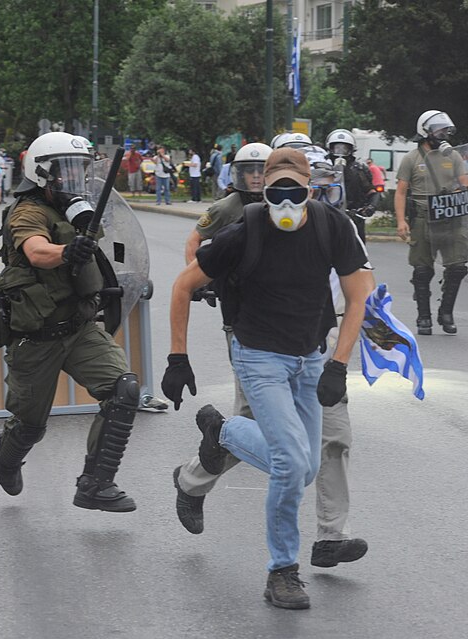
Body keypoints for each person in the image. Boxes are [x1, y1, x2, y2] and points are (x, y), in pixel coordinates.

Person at [161, 148, 373, 609]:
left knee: (309, 465)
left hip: (311, 357)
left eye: (293, 192)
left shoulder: (332, 225)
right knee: (290, 465)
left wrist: (338, 363)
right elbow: (183, 285)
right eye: (276, 191)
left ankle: (224, 432)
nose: (284, 201)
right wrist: (178, 356)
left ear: (309, 190)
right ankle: (282, 571)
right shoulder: (247, 228)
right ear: (264, 189)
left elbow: (359, 296)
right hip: (259, 357)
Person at [0, 131, 141, 512]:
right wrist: (65, 250)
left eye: (81, 170)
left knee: (123, 391)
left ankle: (95, 483)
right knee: (30, 426)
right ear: (42, 174)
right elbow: (36, 251)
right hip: (35, 337)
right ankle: (5, 457)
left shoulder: (74, 208)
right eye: (66, 171)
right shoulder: (27, 212)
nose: (75, 179)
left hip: (79, 327)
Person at [395, 109, 468, 336]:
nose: (444, 134)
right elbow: (400, 192)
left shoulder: (453, 157)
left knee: (457, 267)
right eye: (439, 129)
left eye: (446, 129)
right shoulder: (411, 159)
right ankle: (423, 316)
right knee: (422, 270)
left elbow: (464, 184)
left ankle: (445, 313)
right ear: (425, 131)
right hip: (422, 219)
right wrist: (401, 221)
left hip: (452, 219)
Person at [325, 129, 378, 243]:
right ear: (330, 148)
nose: (340, 151)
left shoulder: (359, 170)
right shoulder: (323, 169)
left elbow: (372, 192)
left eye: (344, 148)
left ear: (351, 149)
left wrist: (370, 207)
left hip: (354, 217)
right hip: (327, 218)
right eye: (336, 148)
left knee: (357, 252)